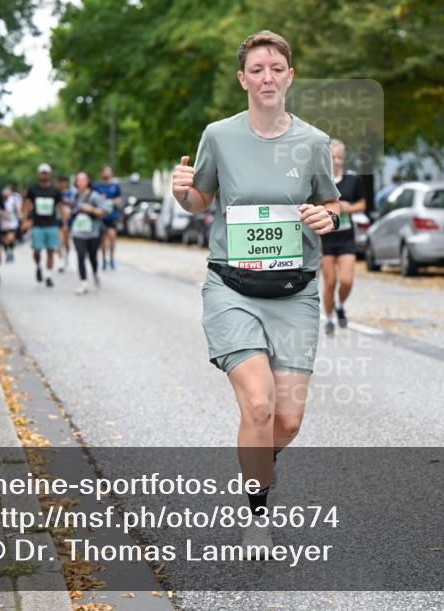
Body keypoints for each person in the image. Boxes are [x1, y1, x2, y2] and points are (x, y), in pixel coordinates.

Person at [171, 30, 341, 551]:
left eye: (277, 68)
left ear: (290, 75)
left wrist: (324, 216)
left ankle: (261, 461)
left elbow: (330, 204)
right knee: (260, 406)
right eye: (258, 69)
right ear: (243, 78)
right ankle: (257, 512)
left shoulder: (312, 142)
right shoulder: (219, 135)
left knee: (287, 421)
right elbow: (200, 199)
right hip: (233, 288)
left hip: (295, 292)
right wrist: (184, 194)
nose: (267, 77)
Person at [319, 139, 366, 334]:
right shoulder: (321, 180)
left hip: (346, 236)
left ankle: (339, 303)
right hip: (327, 238)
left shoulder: (352, 180)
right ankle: (329, 318)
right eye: (332, 157)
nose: (337, 161)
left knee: (346, 280)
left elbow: (362, 205)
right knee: (330, 282)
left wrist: (349, 208)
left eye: (340, 157)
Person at [22, 163, 62, 288]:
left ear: (50, 174)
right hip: (37, 224)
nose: (44, 175)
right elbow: (27, 205)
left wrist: (63, 222)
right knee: (37, 250)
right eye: (42, 173)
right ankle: (38, 266)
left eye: (46, 173)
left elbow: (60, 206)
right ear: (39, 174)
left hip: (51, 224)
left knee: (51, 250)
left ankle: (49, 275)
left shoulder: (55, 190)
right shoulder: (33, 189)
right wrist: (25, 220)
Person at [68, 171, 108, 294]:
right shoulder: (74, 195)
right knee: (80, 255)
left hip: (93, 232)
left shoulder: (94, 196)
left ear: (88, 181)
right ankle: (83, 282)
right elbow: (70, 210)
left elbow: (104, 211)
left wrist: (91, 209)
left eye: (83, 180)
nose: (81, 182)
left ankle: (95, 273)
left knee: (92, 256)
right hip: (78, 231)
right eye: (78, 180)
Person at [93, 165, 122, 270]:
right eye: (105, 171)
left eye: (109, 172)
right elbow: (92, 198)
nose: (106, 173)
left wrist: (114, 201)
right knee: (102, 240)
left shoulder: (115, 186)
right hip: (101, 216)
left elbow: (119, 197)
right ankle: (104, 259)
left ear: (111, 174)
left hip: (112, 215)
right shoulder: (97, 186)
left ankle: (112, 258)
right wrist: (100, 199)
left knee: (112, 236)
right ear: (102, 173)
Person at [57, 175, 74, 273]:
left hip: (68, 219)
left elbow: (73, 204)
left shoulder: (71, 193)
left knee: (66, 241)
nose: (62, 184)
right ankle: (60, 260)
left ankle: (66, 255)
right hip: (58, 219)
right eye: (60, 182)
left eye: (64, 182)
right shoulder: (56, 192)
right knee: (59, 240)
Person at [0, 184, 21, 262]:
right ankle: (7, 253)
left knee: (11, 238)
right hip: (2, 223)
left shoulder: (14, 200)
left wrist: (19, 214)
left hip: (12, 222)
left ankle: (11, 251)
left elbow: (18, 209)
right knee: (4, 239)